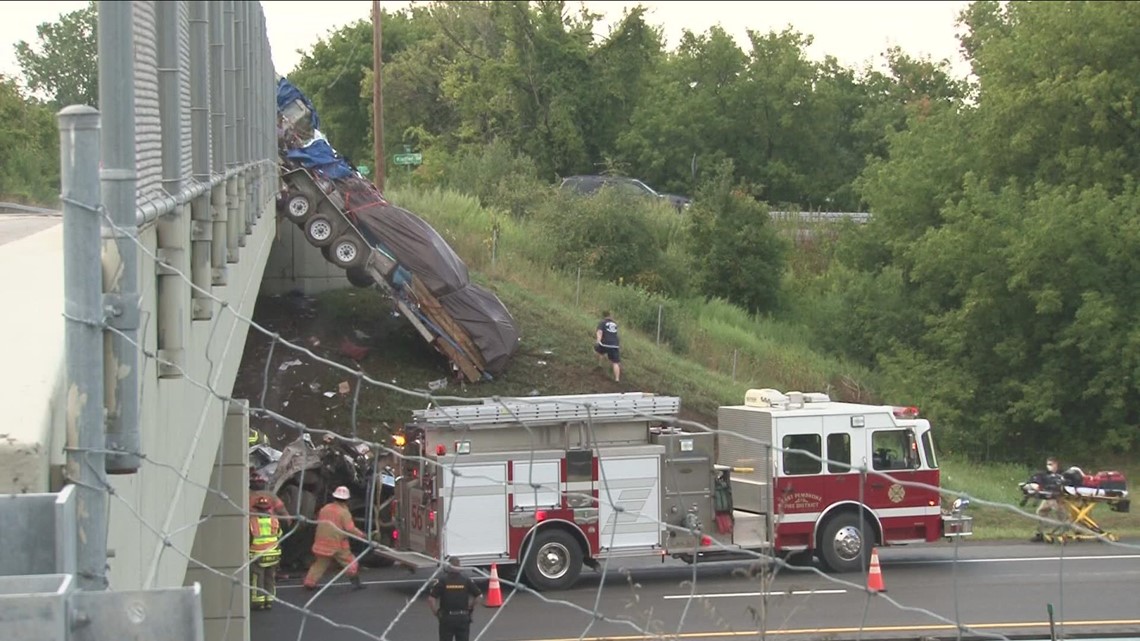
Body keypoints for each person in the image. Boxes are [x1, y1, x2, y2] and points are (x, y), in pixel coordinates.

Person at [303, 485, 366, 590]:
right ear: (347, 499)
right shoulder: (344, 512)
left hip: (321, 541)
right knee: (350, 562)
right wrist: (363, 535)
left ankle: (309, 583)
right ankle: (355, 582)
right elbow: (350, 528)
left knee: (320, 564)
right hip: (338, 542)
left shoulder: (325, 509)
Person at [428, 557, 483, 641]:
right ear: (459, 566)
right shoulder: (466, 580)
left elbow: (431, 599)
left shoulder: (443, 580)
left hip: (447, 617)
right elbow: (479, 596)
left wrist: (436, 612)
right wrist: (471, 606)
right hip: (463, 617)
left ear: (449, 567)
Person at [249, 496, 282, 609]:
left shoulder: (252, 522)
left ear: (257, 509)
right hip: (273, 553)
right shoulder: (274, 520)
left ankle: (258, 601)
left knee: (257, 578)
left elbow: (249, 538)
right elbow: (279, 534)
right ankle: (269, 599)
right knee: (270, 577)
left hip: (257, 553)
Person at [1031, 456, 1066, 542]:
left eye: (1051, 464)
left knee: (1061, 513)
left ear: (1056, 464)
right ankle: (1040, 533)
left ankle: (1063, 532)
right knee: (1041, 512)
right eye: (1047, 464)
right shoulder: (1045, 474)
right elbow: (1038, 480)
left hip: (1058, 497)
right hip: (1048, 496)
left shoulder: (1062, 474)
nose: (1049, 466)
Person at [594, 311, 621, 382]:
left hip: (605, 343)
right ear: (610, 316)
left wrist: (598, 341)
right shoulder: (615, 324)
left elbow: (600, 332)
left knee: (599, 351)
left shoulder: (602, 322)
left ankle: (599, 365)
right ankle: (617, 379)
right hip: (615, 345)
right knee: (615, 362)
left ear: (603, 316)